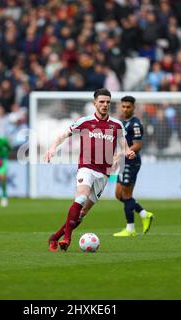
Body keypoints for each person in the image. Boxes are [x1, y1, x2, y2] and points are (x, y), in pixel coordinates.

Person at [45, 88, 135, 252]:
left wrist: (126, 153)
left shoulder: (116, 125)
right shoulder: (85, 121)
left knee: (83, 212)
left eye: (107, 102)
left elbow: (125, 146)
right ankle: (67, 238)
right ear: (95, 103)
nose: (105, 105)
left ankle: (55, 237)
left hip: (104, 173)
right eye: (101, 102)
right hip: (86, 167)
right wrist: (52, 148)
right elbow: (64, 135)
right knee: (80, 198)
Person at [113, 96, 154, 237]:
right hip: (124, 161)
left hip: (132, 161)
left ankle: (130, 229)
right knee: (118, 195)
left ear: (133, 107)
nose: (125, 109)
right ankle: (144, 214)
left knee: (126, 194)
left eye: (128, 107)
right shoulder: (122, 122)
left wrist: (123, 153)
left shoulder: (135, 124)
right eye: (123, 106)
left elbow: (138, 144)